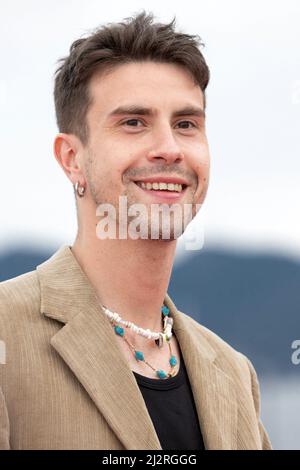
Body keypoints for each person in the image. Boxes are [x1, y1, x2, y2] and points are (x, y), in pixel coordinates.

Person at [0, 11, 271, 450]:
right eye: (133, 122)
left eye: (186, 124)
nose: (168, 148)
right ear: (72, 158)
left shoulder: (235, 374)